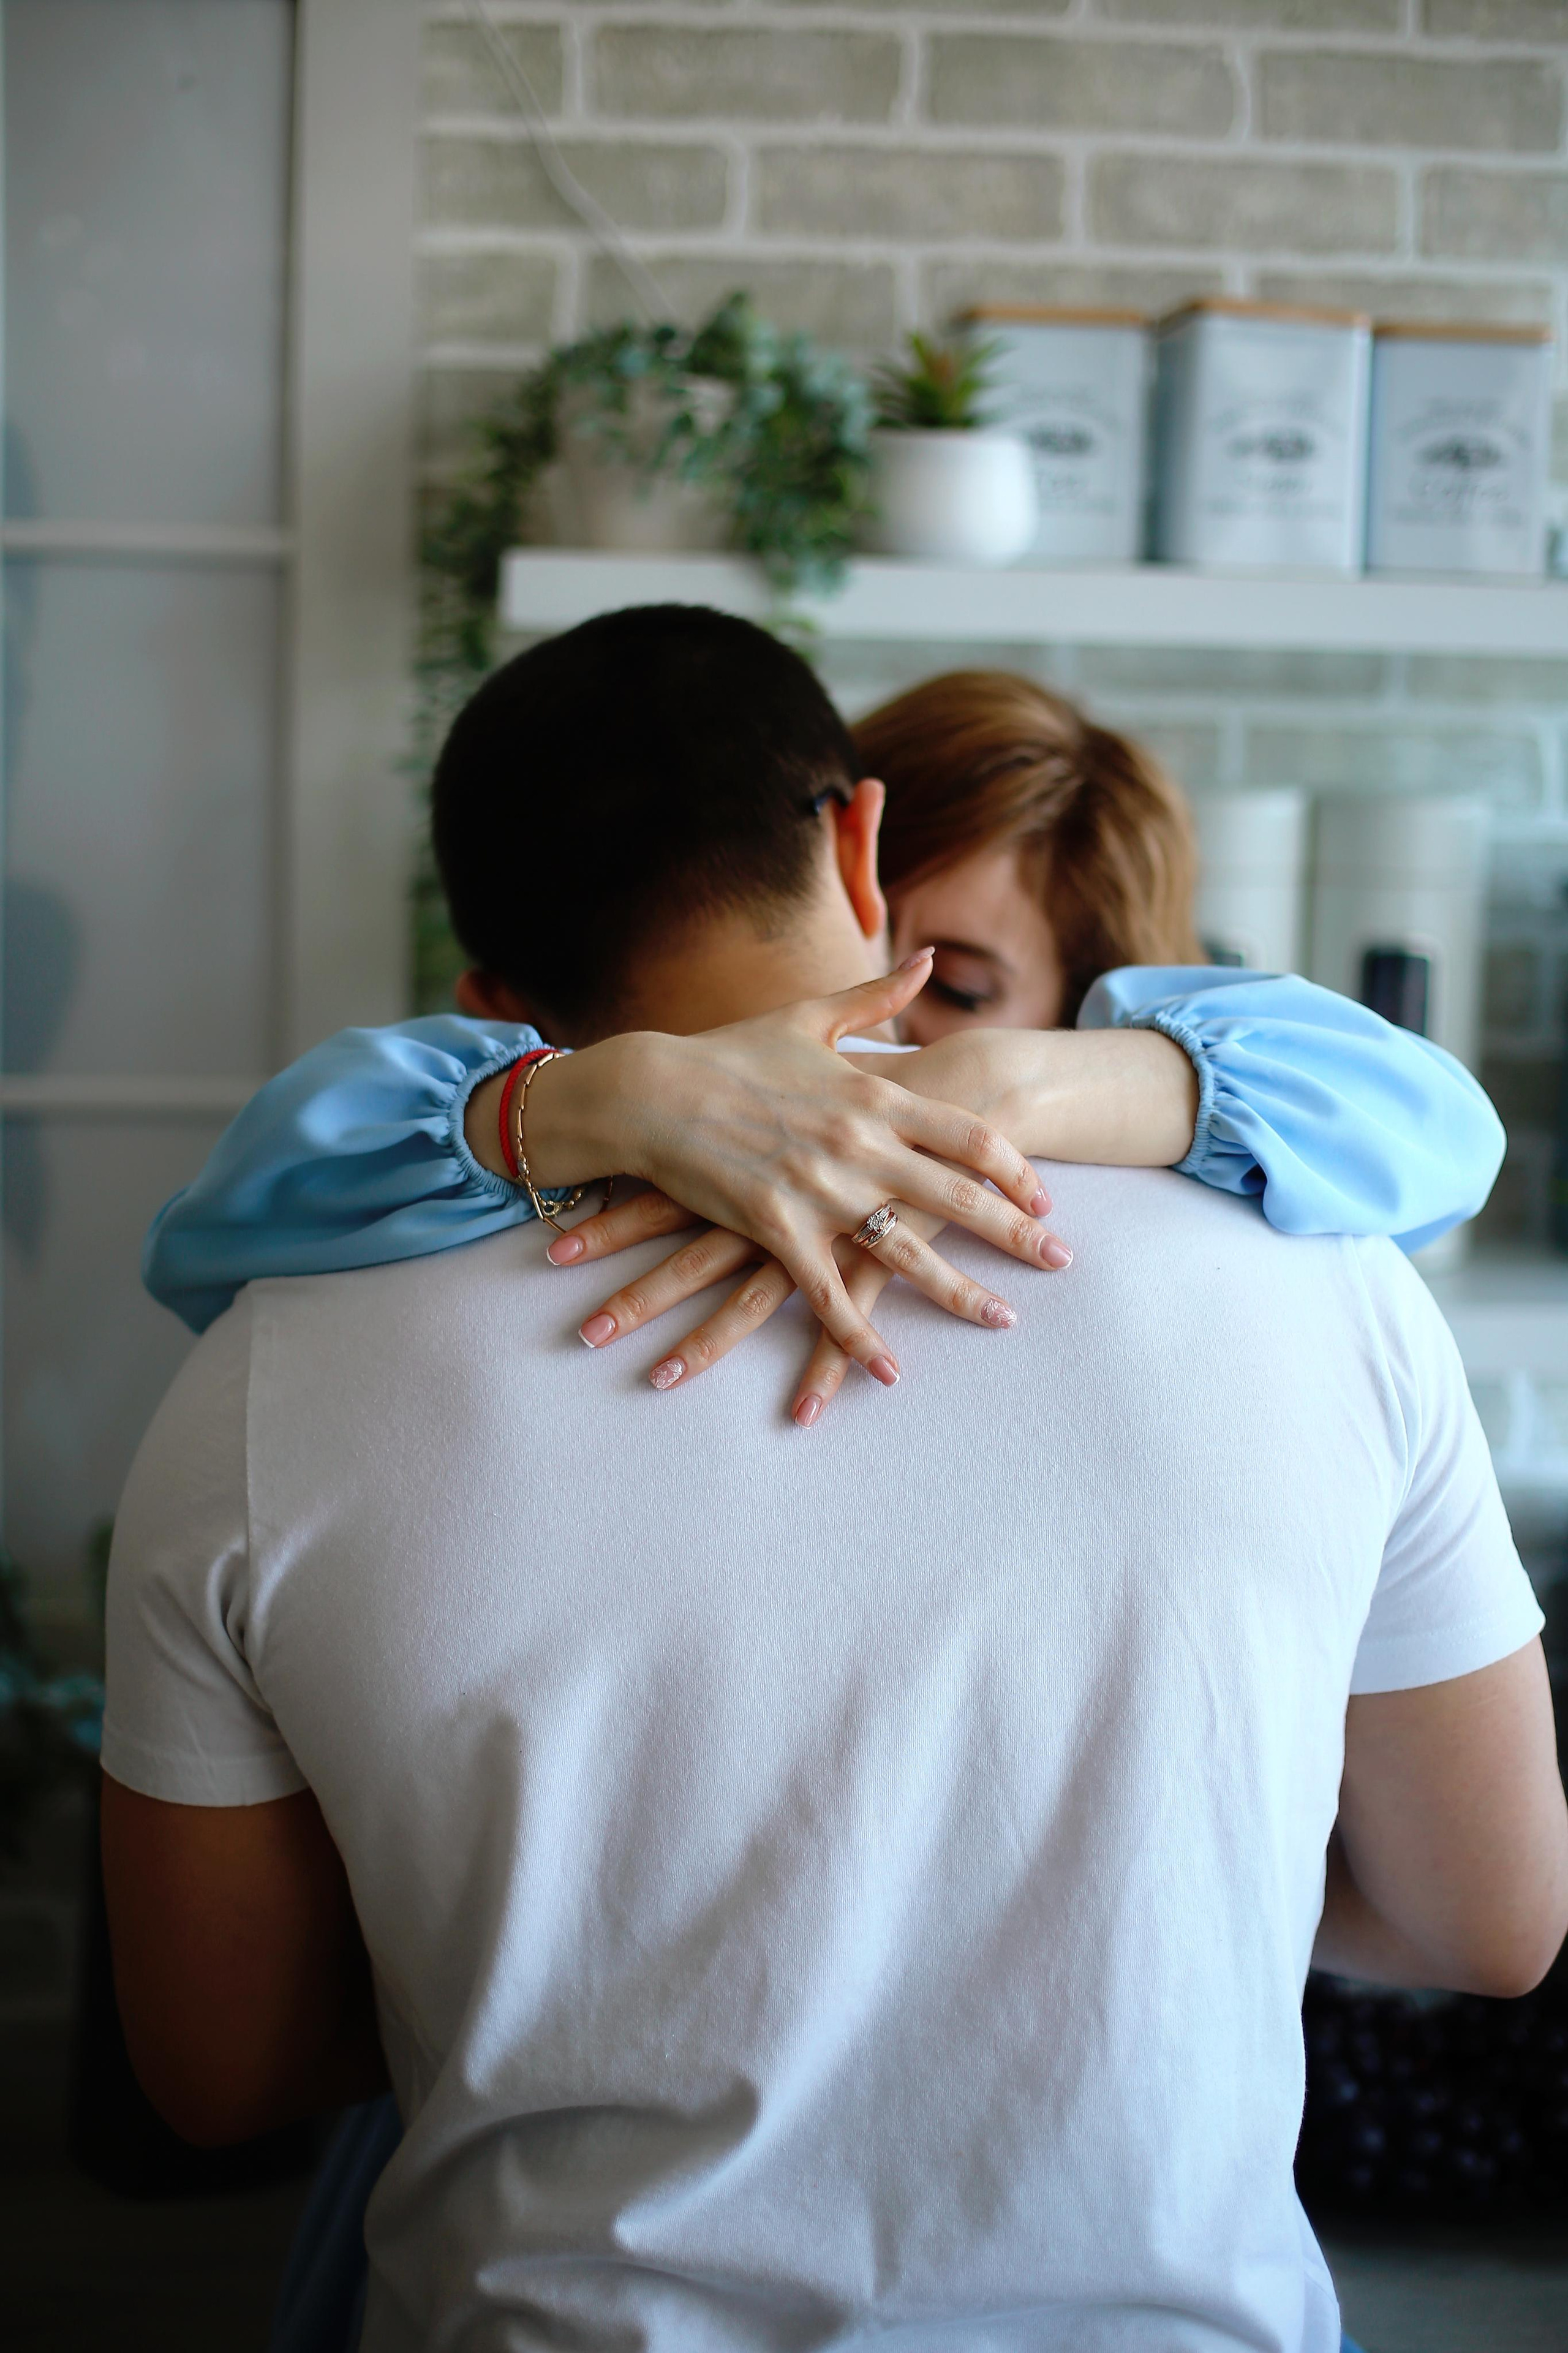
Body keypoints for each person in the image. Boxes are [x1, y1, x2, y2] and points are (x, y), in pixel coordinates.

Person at [101, 608, 1566, 2353]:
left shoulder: (264, 1367)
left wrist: (527, 1948)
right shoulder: (1331, 1283)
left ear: (489, 1002)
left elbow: (223, 2067)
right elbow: (1491, 1916)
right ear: (865, 842)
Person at [140, 639, 1503, 1422]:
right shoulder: (456, 1174)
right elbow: (216, 1230)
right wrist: (604, 1101)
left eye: (949, 989)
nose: (833, 1036)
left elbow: (1436, 1130)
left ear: (1100, 1006)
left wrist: (979, 1088)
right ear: (847, 855)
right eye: (871, 954)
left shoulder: (1224, 1215)